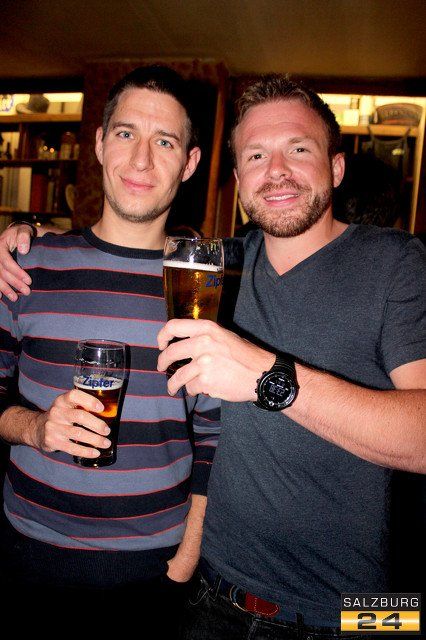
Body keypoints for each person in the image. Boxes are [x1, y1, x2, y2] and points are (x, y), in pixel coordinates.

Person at [155, 75, 426, 639]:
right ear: (238, 180)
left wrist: (268, 377)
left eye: (298, 149)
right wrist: (25, 239)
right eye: (256, 155)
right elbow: (119, 249)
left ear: (336, 168)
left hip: (348, 616)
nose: (275, 170)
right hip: (213, 598)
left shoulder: (398, 262)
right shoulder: (217, 268)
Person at [0, 65, 220, 623]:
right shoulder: (26, 264)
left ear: (190, 162)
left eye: (165, 141)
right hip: (25, 551)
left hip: (153, 570)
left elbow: (215, 436)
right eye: (126, 133)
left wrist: (185, 562)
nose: (141, 160)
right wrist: (33, 427)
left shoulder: (200, 287)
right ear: (99, 144)